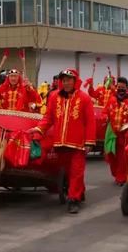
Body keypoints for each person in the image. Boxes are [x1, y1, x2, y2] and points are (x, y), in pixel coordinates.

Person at [31, 68, 95, 214]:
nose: (66, 83)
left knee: (76, 172)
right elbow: (48, 118)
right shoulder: (54, 97)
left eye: (69, 80)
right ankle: (79, 190)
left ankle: (73, 200)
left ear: (75, 81)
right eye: (64, 80)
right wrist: (39, 129)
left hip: (78, 144)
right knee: (67, 172)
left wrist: (90, 142)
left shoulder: (84, 99)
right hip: (60, 143)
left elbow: (90, 122)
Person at [103, 77, 128, 185]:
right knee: (111, 156)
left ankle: (121, 177)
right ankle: (116, 174)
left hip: (124, 134)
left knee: (122, 158)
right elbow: (105, 112)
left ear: (127, 88)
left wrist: (126, 129)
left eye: (123, 87)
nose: (120, 89)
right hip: (112, 133)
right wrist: (105, 118)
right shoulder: (112, 99)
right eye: (119, 87)